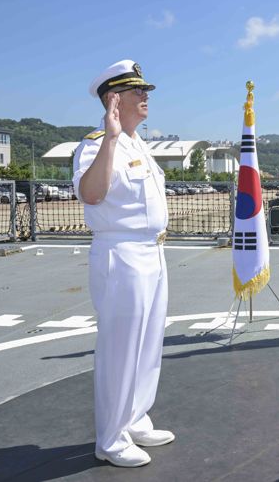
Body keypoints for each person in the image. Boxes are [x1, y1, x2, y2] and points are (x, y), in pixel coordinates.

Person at [73, 59, 174, 468]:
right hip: (121, 254)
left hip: (153, 251)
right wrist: (112, 139)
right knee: (120, 347)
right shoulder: (99, 143)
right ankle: (111, 439)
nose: (146, 96)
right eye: (138, 91)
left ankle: (135, 418)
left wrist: (123, 139)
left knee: (148, 343)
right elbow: (92, 194)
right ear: (114, 99)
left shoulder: (140, 144)